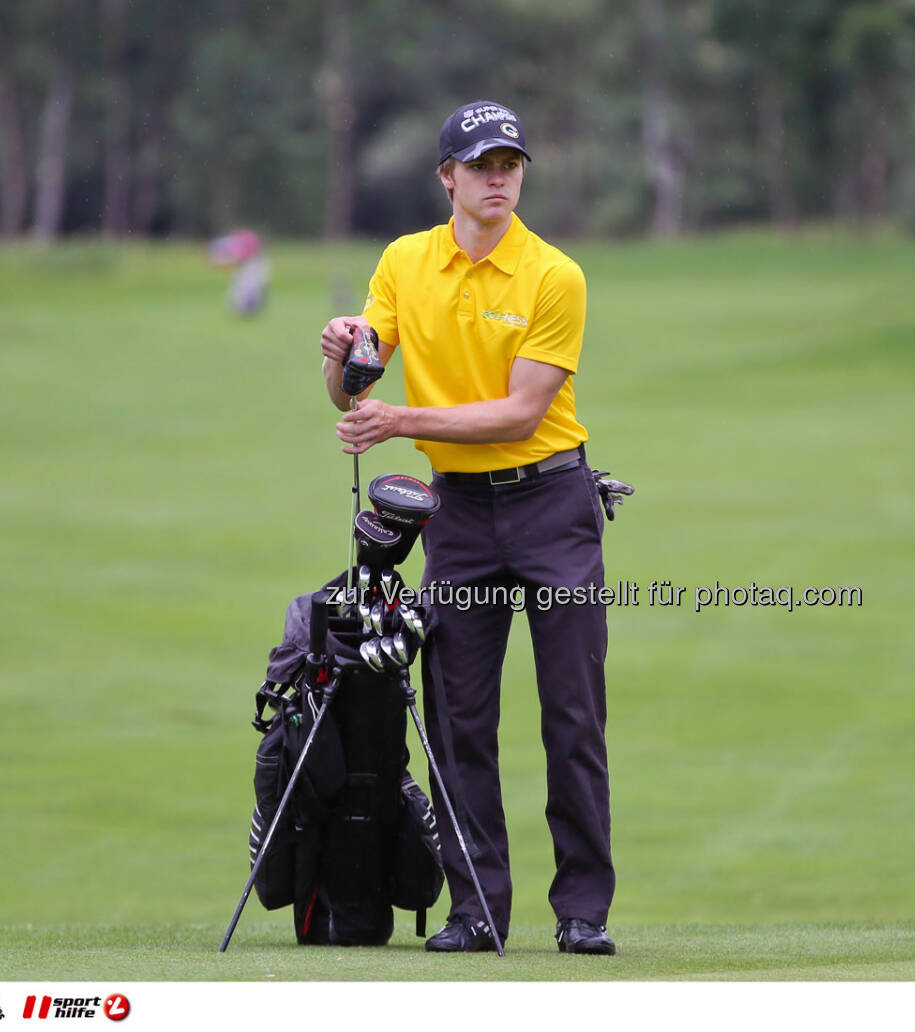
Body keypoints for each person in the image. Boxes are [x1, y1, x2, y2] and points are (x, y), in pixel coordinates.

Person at [318, 100, 616, 955]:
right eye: (481, 165)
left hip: (553, 505)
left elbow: (523, 414)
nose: (498, 178)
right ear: (447, 176)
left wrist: (397, 419)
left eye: (510, 164)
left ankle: (583, 911)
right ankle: (476, 911)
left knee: (572, 716)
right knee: (458, 718)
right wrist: (341, 353)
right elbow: (353, 393)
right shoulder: (405, 263)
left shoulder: (554, 275)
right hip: (461, 519)